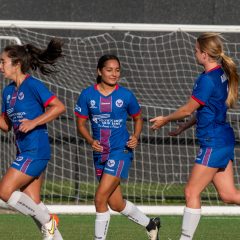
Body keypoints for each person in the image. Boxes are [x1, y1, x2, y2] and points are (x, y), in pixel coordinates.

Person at [150, 32, 239, 240]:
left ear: (205, 54)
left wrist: (166, 119)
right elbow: (206, 109)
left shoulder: (207, 80)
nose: (194, 54)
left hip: (214, 142)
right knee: (229, 195)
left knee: (191, 192)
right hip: (223, 139)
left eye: (196, 51)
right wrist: (183, 128)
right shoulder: (221, 74)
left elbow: (188, 109)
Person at [75, 54, 161, 240]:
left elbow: (138, 118)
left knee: (99, 199)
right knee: (116, 204)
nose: (114, 74)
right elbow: (80, 125)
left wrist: (135, 137)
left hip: (121, 151)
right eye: (109, 70)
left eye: (117, 70)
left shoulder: (126, 95)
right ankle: (150, 225)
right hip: (100, 153)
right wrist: (91, 141)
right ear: (99, 71)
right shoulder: (87, 95)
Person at [0, 39, 66, 240]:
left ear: (17, 63)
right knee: (33, 202)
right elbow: (6, 127)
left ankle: (49, 220)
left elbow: (59, 107)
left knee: (4, 192)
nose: (0, 66)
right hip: (24, 151)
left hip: (36, 150)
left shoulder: (33, 85)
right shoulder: (8, 91)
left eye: (3, 62)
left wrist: (34, 122)